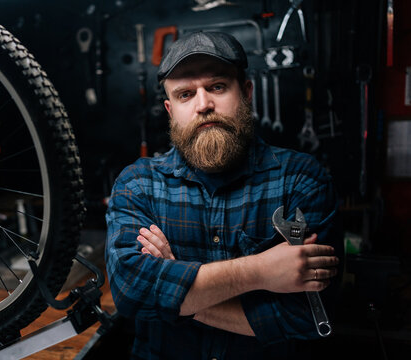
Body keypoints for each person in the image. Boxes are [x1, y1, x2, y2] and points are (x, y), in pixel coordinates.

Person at [105, 31, 342, 359]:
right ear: (170, 109)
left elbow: (309, 317)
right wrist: (260, 271)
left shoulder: (301, 180)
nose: (203, 105)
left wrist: (178, 288)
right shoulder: (138, 184)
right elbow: (131, 294)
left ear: (246, 93)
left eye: (217, 86)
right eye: (186, 94)